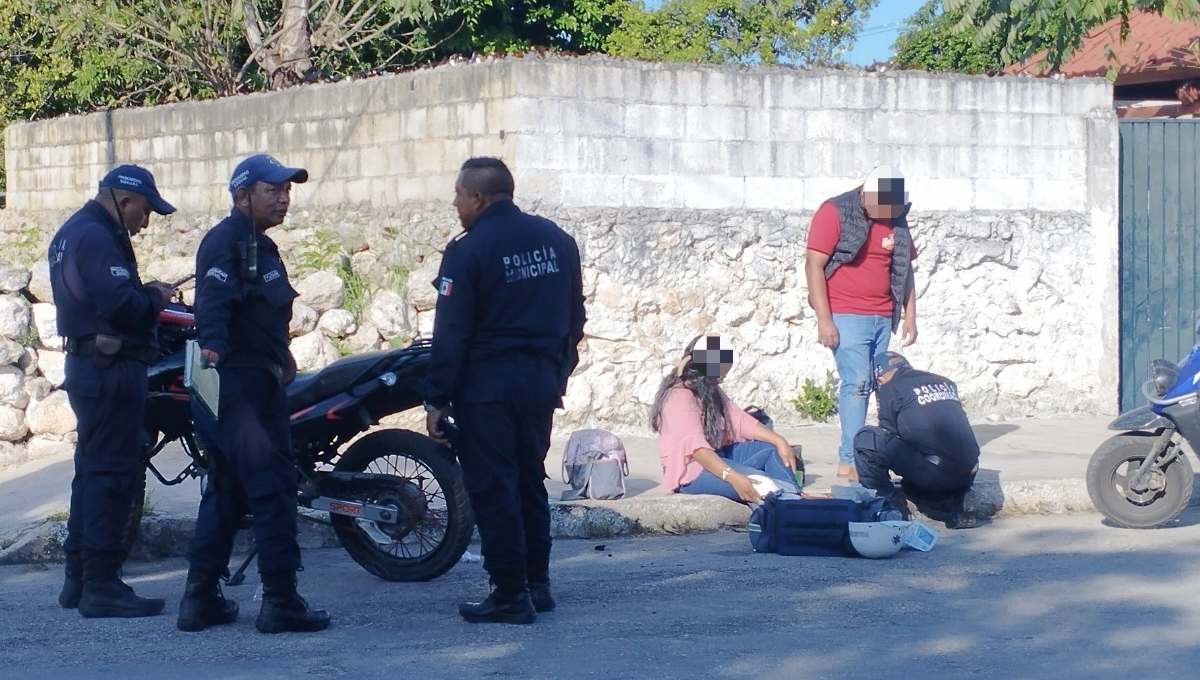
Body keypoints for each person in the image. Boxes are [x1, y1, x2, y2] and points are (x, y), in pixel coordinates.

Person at [424, 157, 585, 625]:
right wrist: (557, 374)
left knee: (495, 488)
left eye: (458, 195)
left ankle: (510, 593)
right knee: (529, 481)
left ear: (477, 198)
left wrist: (437, 398)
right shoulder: (558, 241)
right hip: (538, 384)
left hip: (488, 388)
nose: (454, 204)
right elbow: (575, 319)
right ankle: (538, 584)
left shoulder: (468, 250)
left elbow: (451, 332)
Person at [178, 154, 330, 634]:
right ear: (242, 195)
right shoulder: (225, 242)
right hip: (235, 384)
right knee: (273, 486)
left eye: (288, 190)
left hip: (258, 380)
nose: (284, 198)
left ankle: (199, 599)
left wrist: (280, 354)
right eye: (273, 190)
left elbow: (260, 311)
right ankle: (280, 600)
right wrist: (216, 350)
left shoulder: (262, 247)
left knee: (230, 488)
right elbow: (214, 306)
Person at [49, 165, 177, 618]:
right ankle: (101, 585)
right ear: (124, 202)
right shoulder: (98, 237)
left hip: (89, 365)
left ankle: (78, 579)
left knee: (91, 473)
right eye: (144, 211)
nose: (146, 223)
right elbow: (122, 305)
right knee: (112, 477)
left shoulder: (70, 232)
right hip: (110, 368)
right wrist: (156, 296)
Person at [805, 165, 919, 481]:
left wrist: (909, 315)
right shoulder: (834, 211)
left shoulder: (896, 217)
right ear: (867, 194)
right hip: (845, 314)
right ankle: (850, 460)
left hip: (883, 315)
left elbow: (904, 268)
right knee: (856, 384)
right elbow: (814, 264)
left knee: (876, 386)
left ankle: (871, 455)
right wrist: (824, 320)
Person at [651, 335, 801, 503]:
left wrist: (780, 441)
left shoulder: (709, 389)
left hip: (719, 455)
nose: (723, 378)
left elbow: (739, 420)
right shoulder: (678, 398)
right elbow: (699, 452)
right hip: (693, 470)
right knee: (760, 483)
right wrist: (734, 478)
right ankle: (782, 505)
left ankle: (793, 497)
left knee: (772, 451)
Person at [853, 352, 980, 530]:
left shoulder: (892, 388)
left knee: (866, 439)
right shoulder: (945, 382)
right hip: (969, 472)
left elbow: (888, 433)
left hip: (934, 473)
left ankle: (886, 507)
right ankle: (955, 503)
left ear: (880, 378)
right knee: (911, 486)